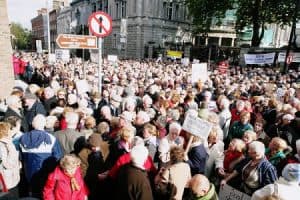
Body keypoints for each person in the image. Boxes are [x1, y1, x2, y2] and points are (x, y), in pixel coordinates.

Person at [19, 114, 62, 198]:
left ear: (32, 124)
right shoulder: (51, 138)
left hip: (29, 172)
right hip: (46, 172)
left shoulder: (22, 138)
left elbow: (21, 157)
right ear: (44, 124)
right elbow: (57, 156)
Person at [0, 122, 21, 199]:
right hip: (7, 184)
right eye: (9, 129)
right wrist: (11, 147)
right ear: (5, 132)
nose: (11, 131)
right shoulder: (3, 145)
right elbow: (8, 164)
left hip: (8, 182)